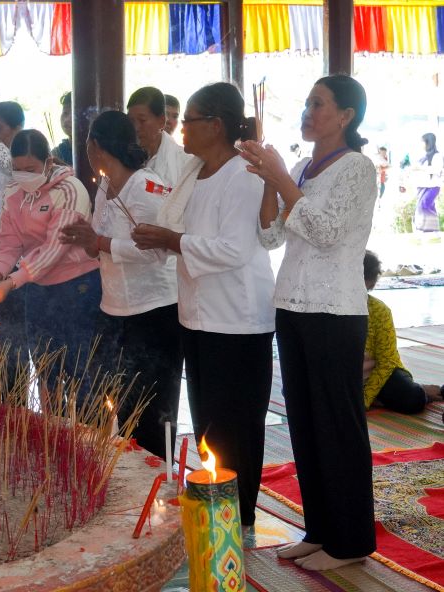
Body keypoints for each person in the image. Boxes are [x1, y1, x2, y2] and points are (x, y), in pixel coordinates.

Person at [241, 74, 377, 570]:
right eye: (306, 102)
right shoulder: (300, 166)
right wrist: (267, 181)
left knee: (338, 425)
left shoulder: (357, 168)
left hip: (335, 311)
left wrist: (278, 178)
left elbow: (325, 232)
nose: (307, 111)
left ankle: (351, 541)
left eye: (318, 104)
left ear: (345, 116)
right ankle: (320, 530)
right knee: (305, 424)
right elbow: (270, 237)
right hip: (293, 306)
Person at [132, 82, 275, 528]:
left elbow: (233, 249)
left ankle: (239, 516)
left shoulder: (243, 173)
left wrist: (172, 240)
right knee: (210, 419)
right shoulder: (196, 173)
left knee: (236, 424)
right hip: (197, 314)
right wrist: (163, 238)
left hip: (237, 318)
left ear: (214, 126)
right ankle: (218, 501)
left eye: (188, 120)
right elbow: (185, 235)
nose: (181, 128)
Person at [59, 111, 182, 458]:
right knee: (125, 407)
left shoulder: (146, 186)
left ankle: (159, 492)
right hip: (114, 310)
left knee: (154, 414)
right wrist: (86, 240)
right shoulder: (105, 186)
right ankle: (133, 489)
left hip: (154, 313)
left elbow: (159, 250)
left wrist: (99, 243)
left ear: (94, 146)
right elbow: (102, 246)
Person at [0, 130, 100, 393]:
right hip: (35, 286)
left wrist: (12, 281)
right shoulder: (13, 190)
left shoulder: (70, 189)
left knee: (79, 368)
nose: (24, 176)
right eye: (18, 169)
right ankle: (52, 429)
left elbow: (56, 248)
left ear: (49, 162)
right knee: (45, 366)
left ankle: (84, 430)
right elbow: (9, 240)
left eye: (31, 168)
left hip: (76, 287)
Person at [361, 251, 444, 413]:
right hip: (345, 379)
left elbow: (386, 363)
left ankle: (422, 390)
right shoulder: (328, 312)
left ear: (370, 283)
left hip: (380, 375)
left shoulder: (379, 311)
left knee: (413, 399)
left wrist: (364, 399)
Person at [127, 87, 189, 188]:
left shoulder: (184, 161)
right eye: (131, 121)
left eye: (142, 120)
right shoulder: (124, 156)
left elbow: (167, 195)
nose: (136, 128)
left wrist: (149, 189)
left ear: (161, 121)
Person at [409, 133, 440, 232]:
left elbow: (436, 169)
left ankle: (427, 230)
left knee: (423, 207)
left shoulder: (437, 156)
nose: (421, 144)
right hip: (421, 187)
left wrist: (420, 168)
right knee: (428, 207)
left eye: (422, 142)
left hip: (432, 187)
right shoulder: (423, 156)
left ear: (428, 142)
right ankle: (434, 232)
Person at [51, 92, 73, 166]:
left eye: (73, 114)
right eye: (65, 113)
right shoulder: (57, 153)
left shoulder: (95, 151)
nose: (67, 120)